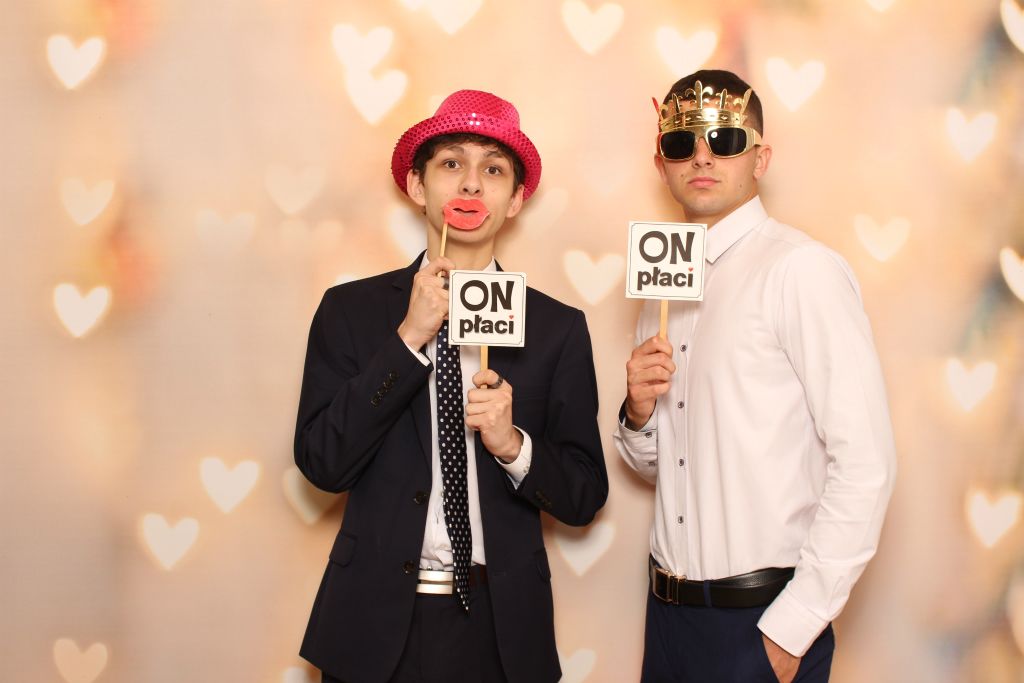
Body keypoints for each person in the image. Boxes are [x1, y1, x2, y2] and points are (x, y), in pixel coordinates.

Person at [294, 89, 608, 683]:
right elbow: (322, 464)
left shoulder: (556, 329)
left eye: (493, 170)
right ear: (418, 186)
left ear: (516, 199)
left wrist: (512, 446)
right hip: (371, 625)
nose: (470, 184)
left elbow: (584, 495)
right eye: (451, 163)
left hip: (501, 629)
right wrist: (408, 338)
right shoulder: (350, 311)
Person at [614, 69, 896, 682]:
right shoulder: (661, 289)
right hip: (667, 618)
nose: (702, 157)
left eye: (725, 140)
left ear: (760, 158)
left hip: (761, 620)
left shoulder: (802, 270)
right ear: (662, 164)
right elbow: (663, 467)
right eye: (682, 143)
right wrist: (637, 412)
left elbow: (866, 462)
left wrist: (795, 625)